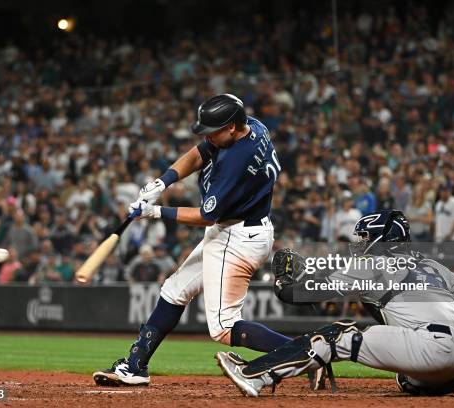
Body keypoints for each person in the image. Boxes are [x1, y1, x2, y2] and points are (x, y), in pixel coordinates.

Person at [93, 94, 309, 387]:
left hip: (237, 236)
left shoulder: (236, 161)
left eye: (214, 130)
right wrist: (163, 182)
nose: (208, 136)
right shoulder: (252, 126)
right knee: (175, 289)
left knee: (223, 328)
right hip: (236, 229)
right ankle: (135, 366)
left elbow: (207, 216)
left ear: (232, 127)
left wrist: (155, 211)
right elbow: (199, 153)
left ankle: (307, 354)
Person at [215, 210, 454, 398]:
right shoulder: (431, 265)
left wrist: (282, 282)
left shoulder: (371, 263)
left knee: (336, 336)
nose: (359, 242)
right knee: (407, 380)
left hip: (429, 347)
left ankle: (256, 375)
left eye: (365, 237)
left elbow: (301, 294)